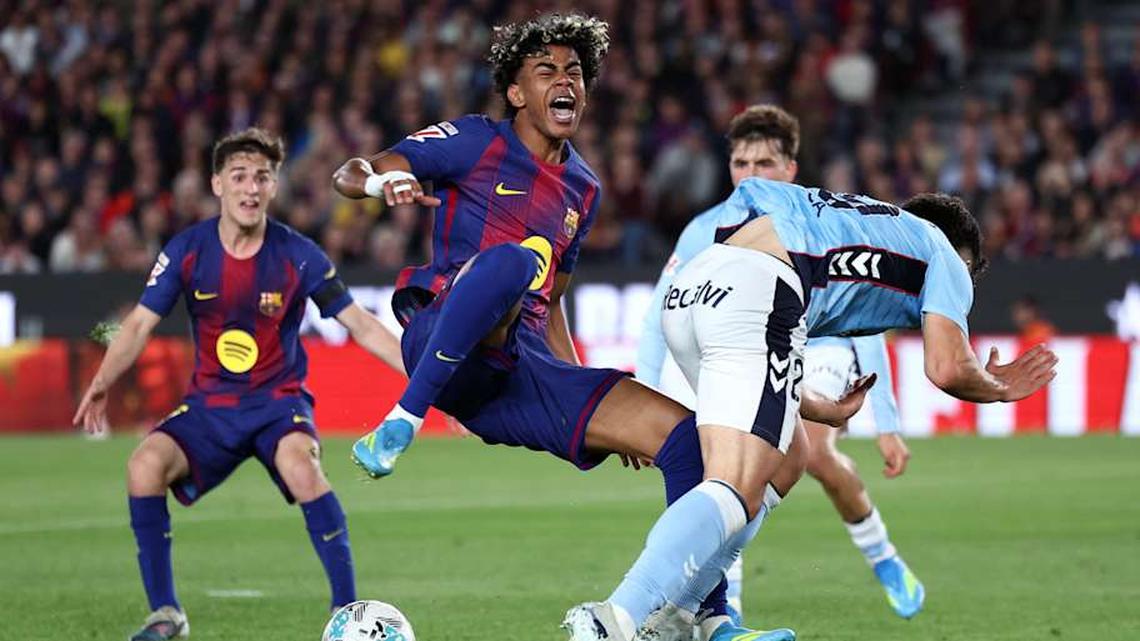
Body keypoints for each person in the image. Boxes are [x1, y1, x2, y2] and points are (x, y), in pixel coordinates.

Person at [334, 14, 867, 641]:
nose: (566, 82)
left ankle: (702, 617)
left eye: (575, 72)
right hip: (441, 338)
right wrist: (381, 178)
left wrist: (588, 393)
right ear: (516, 93)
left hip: (521, 372)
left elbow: (553, 299)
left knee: (687, 441)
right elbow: (352, 172)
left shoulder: (583, 186)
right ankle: (403, 418)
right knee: (511, 263)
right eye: (546, 71)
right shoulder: (474, 140)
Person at [563, 181, 1057, 641]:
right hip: (760, 292)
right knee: (734, 483)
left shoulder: (858, 220)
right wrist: (998, 387)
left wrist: (816, 403)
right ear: (963, 256)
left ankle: (681, 616)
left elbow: (750, 197)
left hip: (695, 288)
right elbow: (948, 367)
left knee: (789, 455)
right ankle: (617, 618)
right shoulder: (944, 254)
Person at [73, 128, 406, 641]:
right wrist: (101, 382)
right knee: (143, 466)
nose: (251, 188)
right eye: (240, 177)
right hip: (209, 407)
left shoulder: (299, 256)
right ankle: (167, 614)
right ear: (217, 185)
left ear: (274, 187)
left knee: (303, 467)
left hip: (278, 404)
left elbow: (359, 324)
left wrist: (422, 375)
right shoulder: (187, 250)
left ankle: (348, 616)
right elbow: (138, 323)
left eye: (262, 177)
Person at [636, 105, 924, 624]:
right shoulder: (702, 230)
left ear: (790, 169)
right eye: (741, 163)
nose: (750, 175)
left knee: (806, 456)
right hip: (739, 351)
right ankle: (727, 612)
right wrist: (643, 391)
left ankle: (883, 558)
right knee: (729, 469)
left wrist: (887, 421)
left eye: (764, 163)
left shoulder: (824, 218)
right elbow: (660, 314)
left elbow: (870, 313)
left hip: (820, 347)